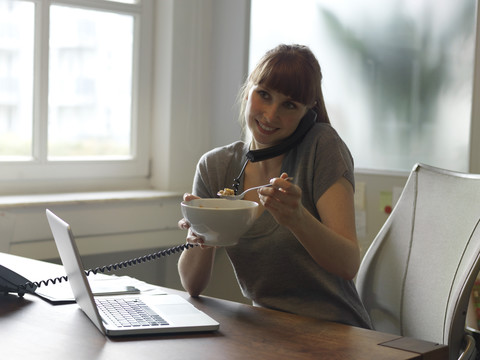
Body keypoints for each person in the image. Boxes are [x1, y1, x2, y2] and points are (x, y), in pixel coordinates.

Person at [177, 44, 372, 329]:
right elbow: (192, 285)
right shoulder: (215, 166)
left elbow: (348, 264)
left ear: (308, 113)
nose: (270, 115)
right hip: (268, 329)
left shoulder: (323, 147)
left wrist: (298, 219)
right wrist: (203, 228)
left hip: (336, 330)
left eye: (289, 105)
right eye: (264, 95)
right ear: (248, 92)